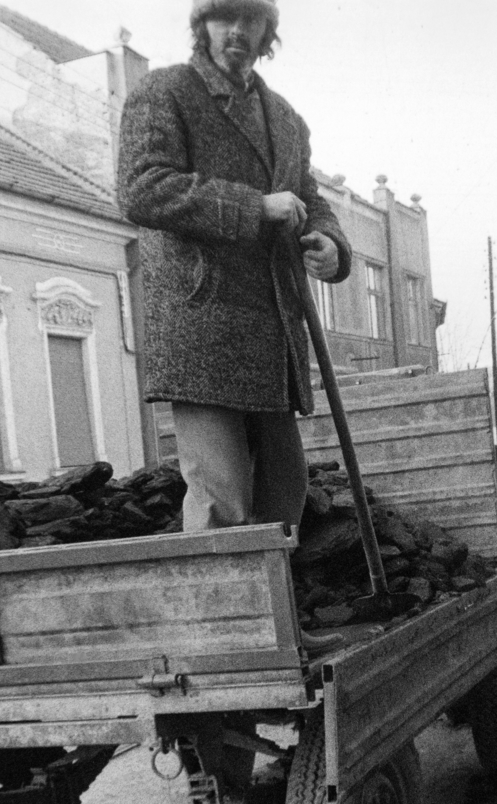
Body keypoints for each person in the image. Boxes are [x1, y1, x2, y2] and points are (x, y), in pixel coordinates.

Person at [117, 0, 351, 537]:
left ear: (269, 29)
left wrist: (331, 244)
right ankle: (221, 622)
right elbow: (142, 188)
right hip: (204, 327)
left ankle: (276, 621)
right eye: (224, 18)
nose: (237, 32)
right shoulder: (166, 91)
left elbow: (310, 197)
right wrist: (254, 207)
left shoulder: (286, 119)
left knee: (284, 493)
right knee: (222, 501)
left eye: (251, 20)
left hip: (272, 331)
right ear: (201, 26)